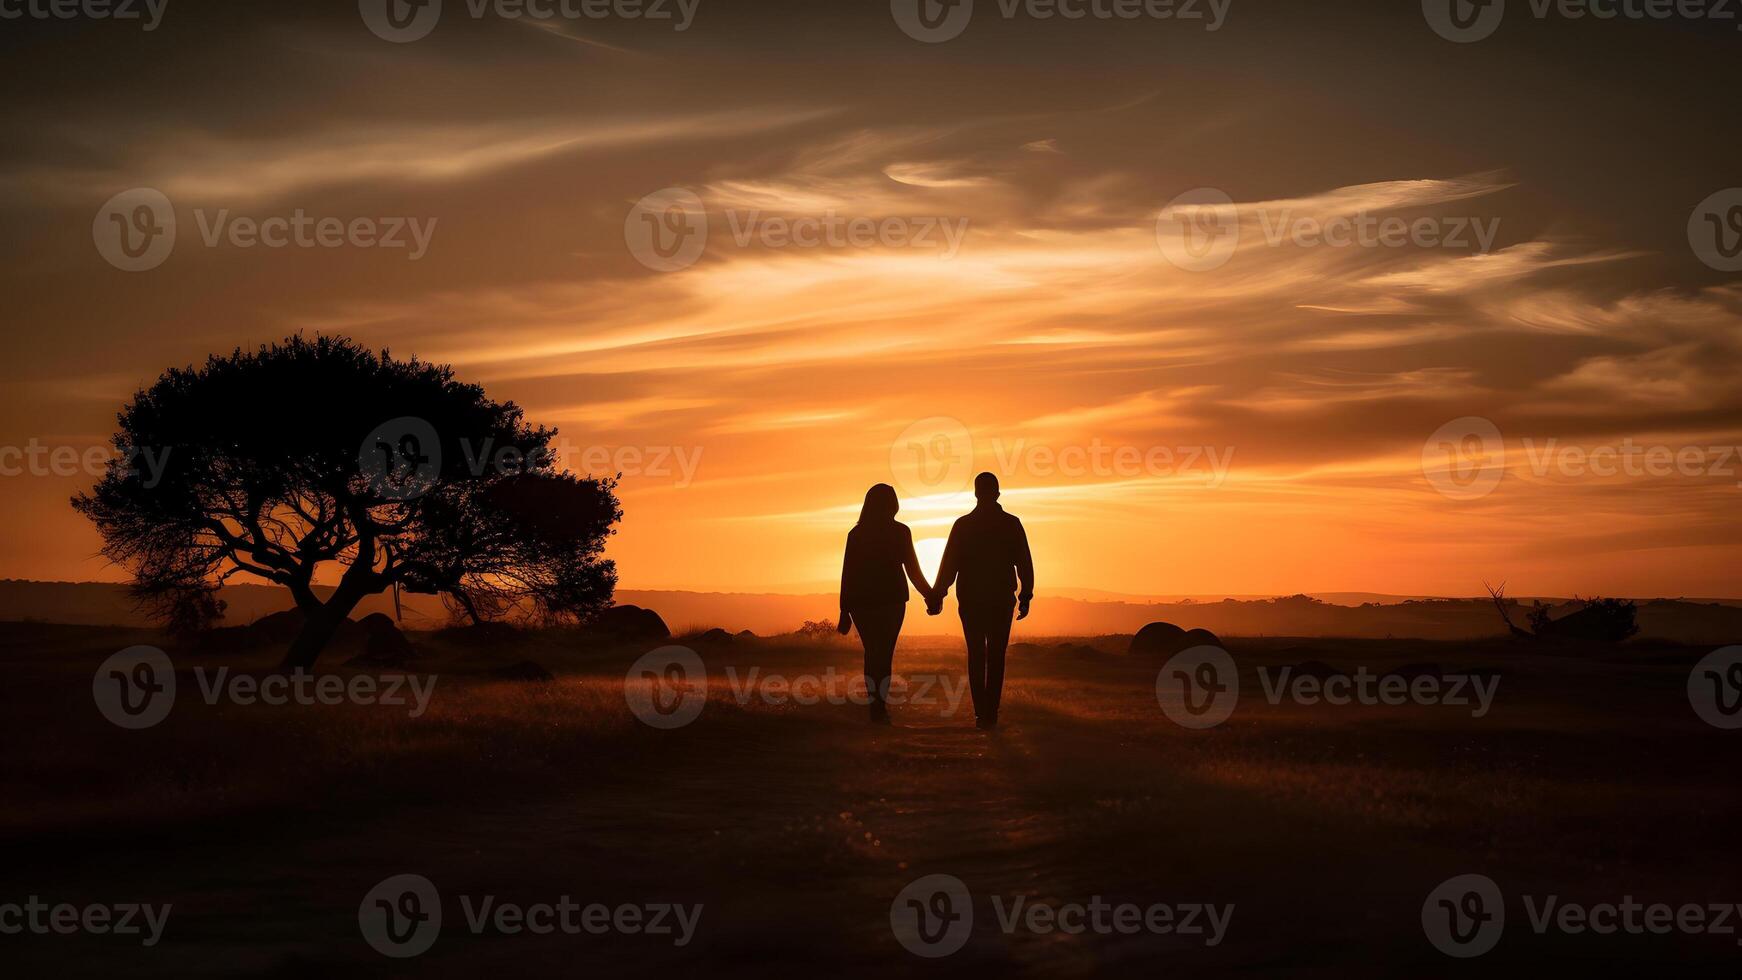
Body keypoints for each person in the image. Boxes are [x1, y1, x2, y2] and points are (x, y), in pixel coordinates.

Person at [930, 472, 1034, 730]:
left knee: (976, 654)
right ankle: (991, 713)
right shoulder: (1010, 524)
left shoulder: (963, 525)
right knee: (996, 655)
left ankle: (981, 714)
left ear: (976, 493)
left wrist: (938, 594)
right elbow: (1024, 563)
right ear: (997, 493)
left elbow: (949, 566)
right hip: (1000, 600)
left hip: (971, 600)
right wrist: (1025, 595)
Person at [838, 484, 934, 724]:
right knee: (884, 654)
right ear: (893, 504)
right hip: (891, 601)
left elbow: (847, 573)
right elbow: (912, 569)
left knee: (872, 653)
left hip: (862, 603)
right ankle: (879, 706)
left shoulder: (857, 534)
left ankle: (876, 707)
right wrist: (930, 595)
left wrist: (844, 609)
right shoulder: (900, 532)